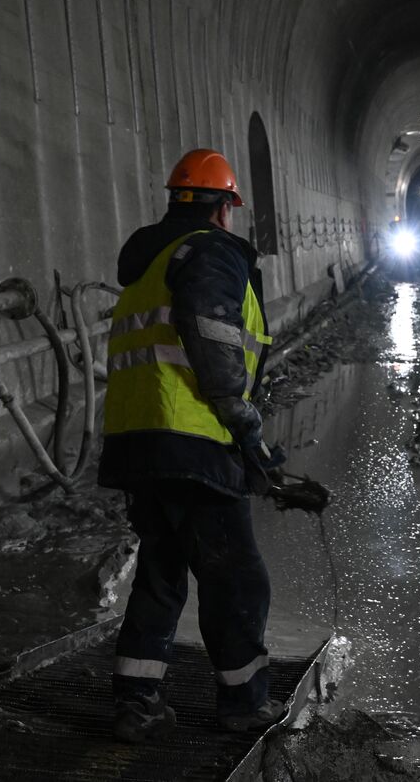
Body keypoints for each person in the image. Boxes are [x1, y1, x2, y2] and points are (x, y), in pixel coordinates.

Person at [97, 148, 287, 743]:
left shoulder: (150, 261)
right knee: (236, 578)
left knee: (162, 571)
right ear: (225, 208)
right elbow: (210, 327)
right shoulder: (209, 252)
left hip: (138, 443)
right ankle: (244, 701)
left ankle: (136, 700)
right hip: (195, 440)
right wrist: (240, 416)